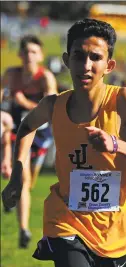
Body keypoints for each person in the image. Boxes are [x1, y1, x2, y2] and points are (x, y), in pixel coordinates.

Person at [2, 19, 126, 267]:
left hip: (116, 230)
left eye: (95, 57)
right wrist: (18, 174)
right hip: (65, 219)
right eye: (78, 56)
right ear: (66, 60)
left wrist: (116, 145)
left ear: (109, 65)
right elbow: (27, 126)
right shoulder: (53, 105)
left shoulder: (125, 102)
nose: (85, 66)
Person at [1, 34, 58, 248]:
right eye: (25, 52)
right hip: (18, 130)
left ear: (41, 55)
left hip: (41, 132)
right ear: (19, 55)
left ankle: (13, 195)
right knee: (22, 176)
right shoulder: (11, 74)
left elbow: (51, 106)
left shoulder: (46, 77)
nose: (29, 56)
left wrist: (23, 100)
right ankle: (23, 229)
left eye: (34, 52)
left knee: (30, 181)